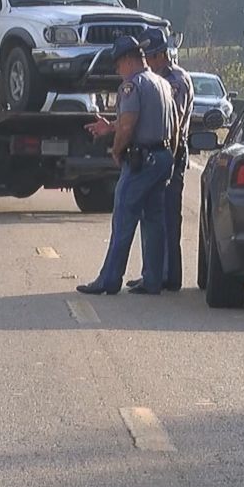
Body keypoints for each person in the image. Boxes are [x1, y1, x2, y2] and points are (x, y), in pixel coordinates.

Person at [78, 35, 176, 296]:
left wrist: (117, 148)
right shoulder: (162, 83)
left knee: (123, 217)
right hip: (162, 156)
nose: (117, 71)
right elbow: (171, 126)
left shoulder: (131, 86)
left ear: (128, 60)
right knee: (154, 220)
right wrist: (110, 126)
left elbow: (130, 123)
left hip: (142, 160)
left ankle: (109, 279)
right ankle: (153, 279)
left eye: (117, 65)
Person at [125, 28, 195, 292]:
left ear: (161, 55)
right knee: (151, 215)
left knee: (167, 216)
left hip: (172, 150)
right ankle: (152, 272)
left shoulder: (176, 80)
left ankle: (169, 275)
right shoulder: (152, 80)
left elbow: (171, 122)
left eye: (150, 57)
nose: (147, 63)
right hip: (156, 152)